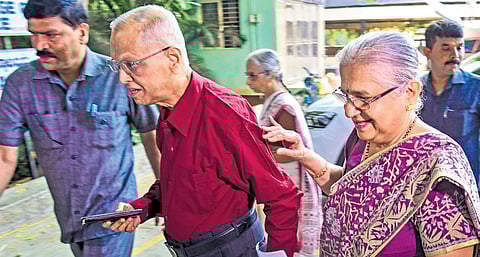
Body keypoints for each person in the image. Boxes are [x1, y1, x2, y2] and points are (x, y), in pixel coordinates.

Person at [103, 5, 302, 257]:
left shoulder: (225, 115)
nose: (122, 78)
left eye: (131, 64)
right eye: (117, 65)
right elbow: (178, 184)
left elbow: (281, 197)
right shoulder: (166, 112)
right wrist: (142, 207)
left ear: (172, 59)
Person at [263, 31, 480, 257]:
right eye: (345, 96)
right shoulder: (361, 138)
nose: (349, 110)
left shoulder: (437, 168)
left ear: (409, 92)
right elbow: (350, 189)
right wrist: (304, 155)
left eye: (363, 98)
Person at [0, 0, 161, 256]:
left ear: (82, 33)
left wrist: (163, 197)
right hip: (69, 217)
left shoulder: (119, 76)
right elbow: (4, 157)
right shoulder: (21, 85)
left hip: (114, 215)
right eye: (34, 34)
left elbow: (153, 135)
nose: (39, 45)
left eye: (51, 35)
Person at [246, 49, 322, 257]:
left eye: (253, 75)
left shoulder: (284, 105)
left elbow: (285, 152)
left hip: (292, 189)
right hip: (282, 188)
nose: (248, 82)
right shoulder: (273, 100)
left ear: (270, 74)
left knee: (289, 247)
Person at [420, 19, 480, 190]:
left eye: (459, 47)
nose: (455, 54)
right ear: (428, 52)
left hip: (466, 190)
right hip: (424, 191)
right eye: (446, 48)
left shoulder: (476, 88)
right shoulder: (414, 91)